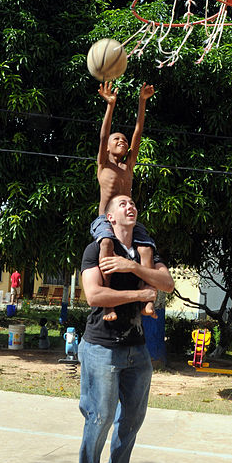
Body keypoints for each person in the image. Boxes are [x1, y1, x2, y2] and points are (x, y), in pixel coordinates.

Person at [71, 194, 174, 463]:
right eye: (122, 204)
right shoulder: (95, 250)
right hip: (101, 347)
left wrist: (133, 268)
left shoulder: (146, 251)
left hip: (136, 351)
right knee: (99, 421)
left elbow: (167, 283)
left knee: (131, 421)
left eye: (133, 203)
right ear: (110, 217)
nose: (130, 206)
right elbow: (94, 295)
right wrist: (139, 294)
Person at [90, 80, 156, 322]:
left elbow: (138, 131)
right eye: (117, 139)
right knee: (106, 244)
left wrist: (142, 101)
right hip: (104, 220)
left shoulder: (128, 166)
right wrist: (110, 105)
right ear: (106, 148)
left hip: (127, 222)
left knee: (146, 248)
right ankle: (109, 302)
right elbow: (104, 134)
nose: (122, 141)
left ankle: (146, 299)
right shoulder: (103, 165)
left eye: (125, 141)